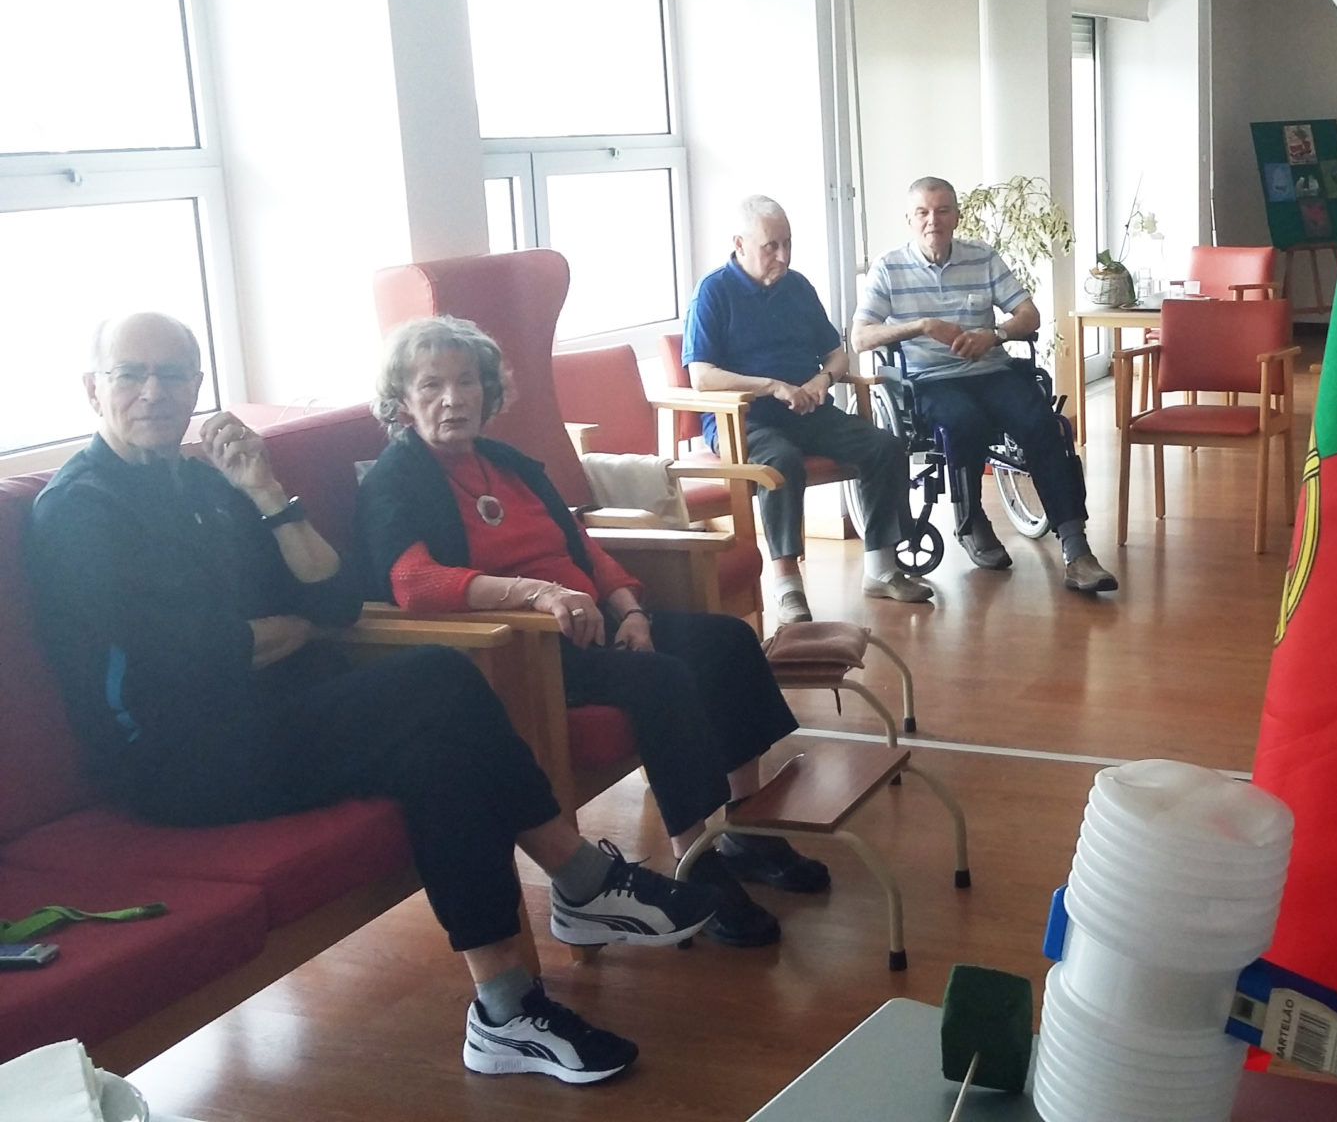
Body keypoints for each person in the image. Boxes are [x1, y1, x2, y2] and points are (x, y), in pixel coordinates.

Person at [27, 313, 710, 1085]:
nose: (155, 392)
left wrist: (266, 492)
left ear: (196, 386)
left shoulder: (205, 484)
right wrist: (283, 629)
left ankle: (506, 1011)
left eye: (174, 374)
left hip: (268, 715)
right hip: (174, 756)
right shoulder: (78, 511)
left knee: (437, 754)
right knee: (436, 676)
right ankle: (578, 874)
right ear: (93, 389)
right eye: (132, 374)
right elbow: (181, 662)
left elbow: (336, 598)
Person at [356, 316, 831, 951]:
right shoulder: (395, 478)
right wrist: (538, 594)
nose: (453, 398)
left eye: (466, 381)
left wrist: (629, 610)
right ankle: (696, 861)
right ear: (402, 400)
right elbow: (413, 581)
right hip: (523, 648)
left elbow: (581, 546)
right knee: (661, 678)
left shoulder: (508, 463)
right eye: (431, 385)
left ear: (487, 390)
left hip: (593, 620)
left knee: (727, 642)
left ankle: (746, 832)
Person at [850, 176, 1118, 594]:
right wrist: (922, 325)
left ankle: (1077, 549)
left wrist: (994, 335)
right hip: (930, 380)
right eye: (923, 212)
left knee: (1043, 423)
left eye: (942, 211)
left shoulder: (982, 256)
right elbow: (861, 336)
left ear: (956, 216)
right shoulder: (889, 267)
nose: (933, 221)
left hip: (990, 369)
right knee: (963, 421)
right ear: (910, 219)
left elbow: (1028, 314)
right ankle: (971, 518)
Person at [683, 195, 932, 625]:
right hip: (743, 419)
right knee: (780, 462)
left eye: (788, 243)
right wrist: (771, 387)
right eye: (771, 246)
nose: (783, 256)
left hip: (807, 409)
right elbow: (702, 376)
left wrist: (823, 380)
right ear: (740, 244)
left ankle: (881, 568)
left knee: (885, 447)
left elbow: (837, 353)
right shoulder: (713, 292)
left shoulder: (797, 287)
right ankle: (787, 585)